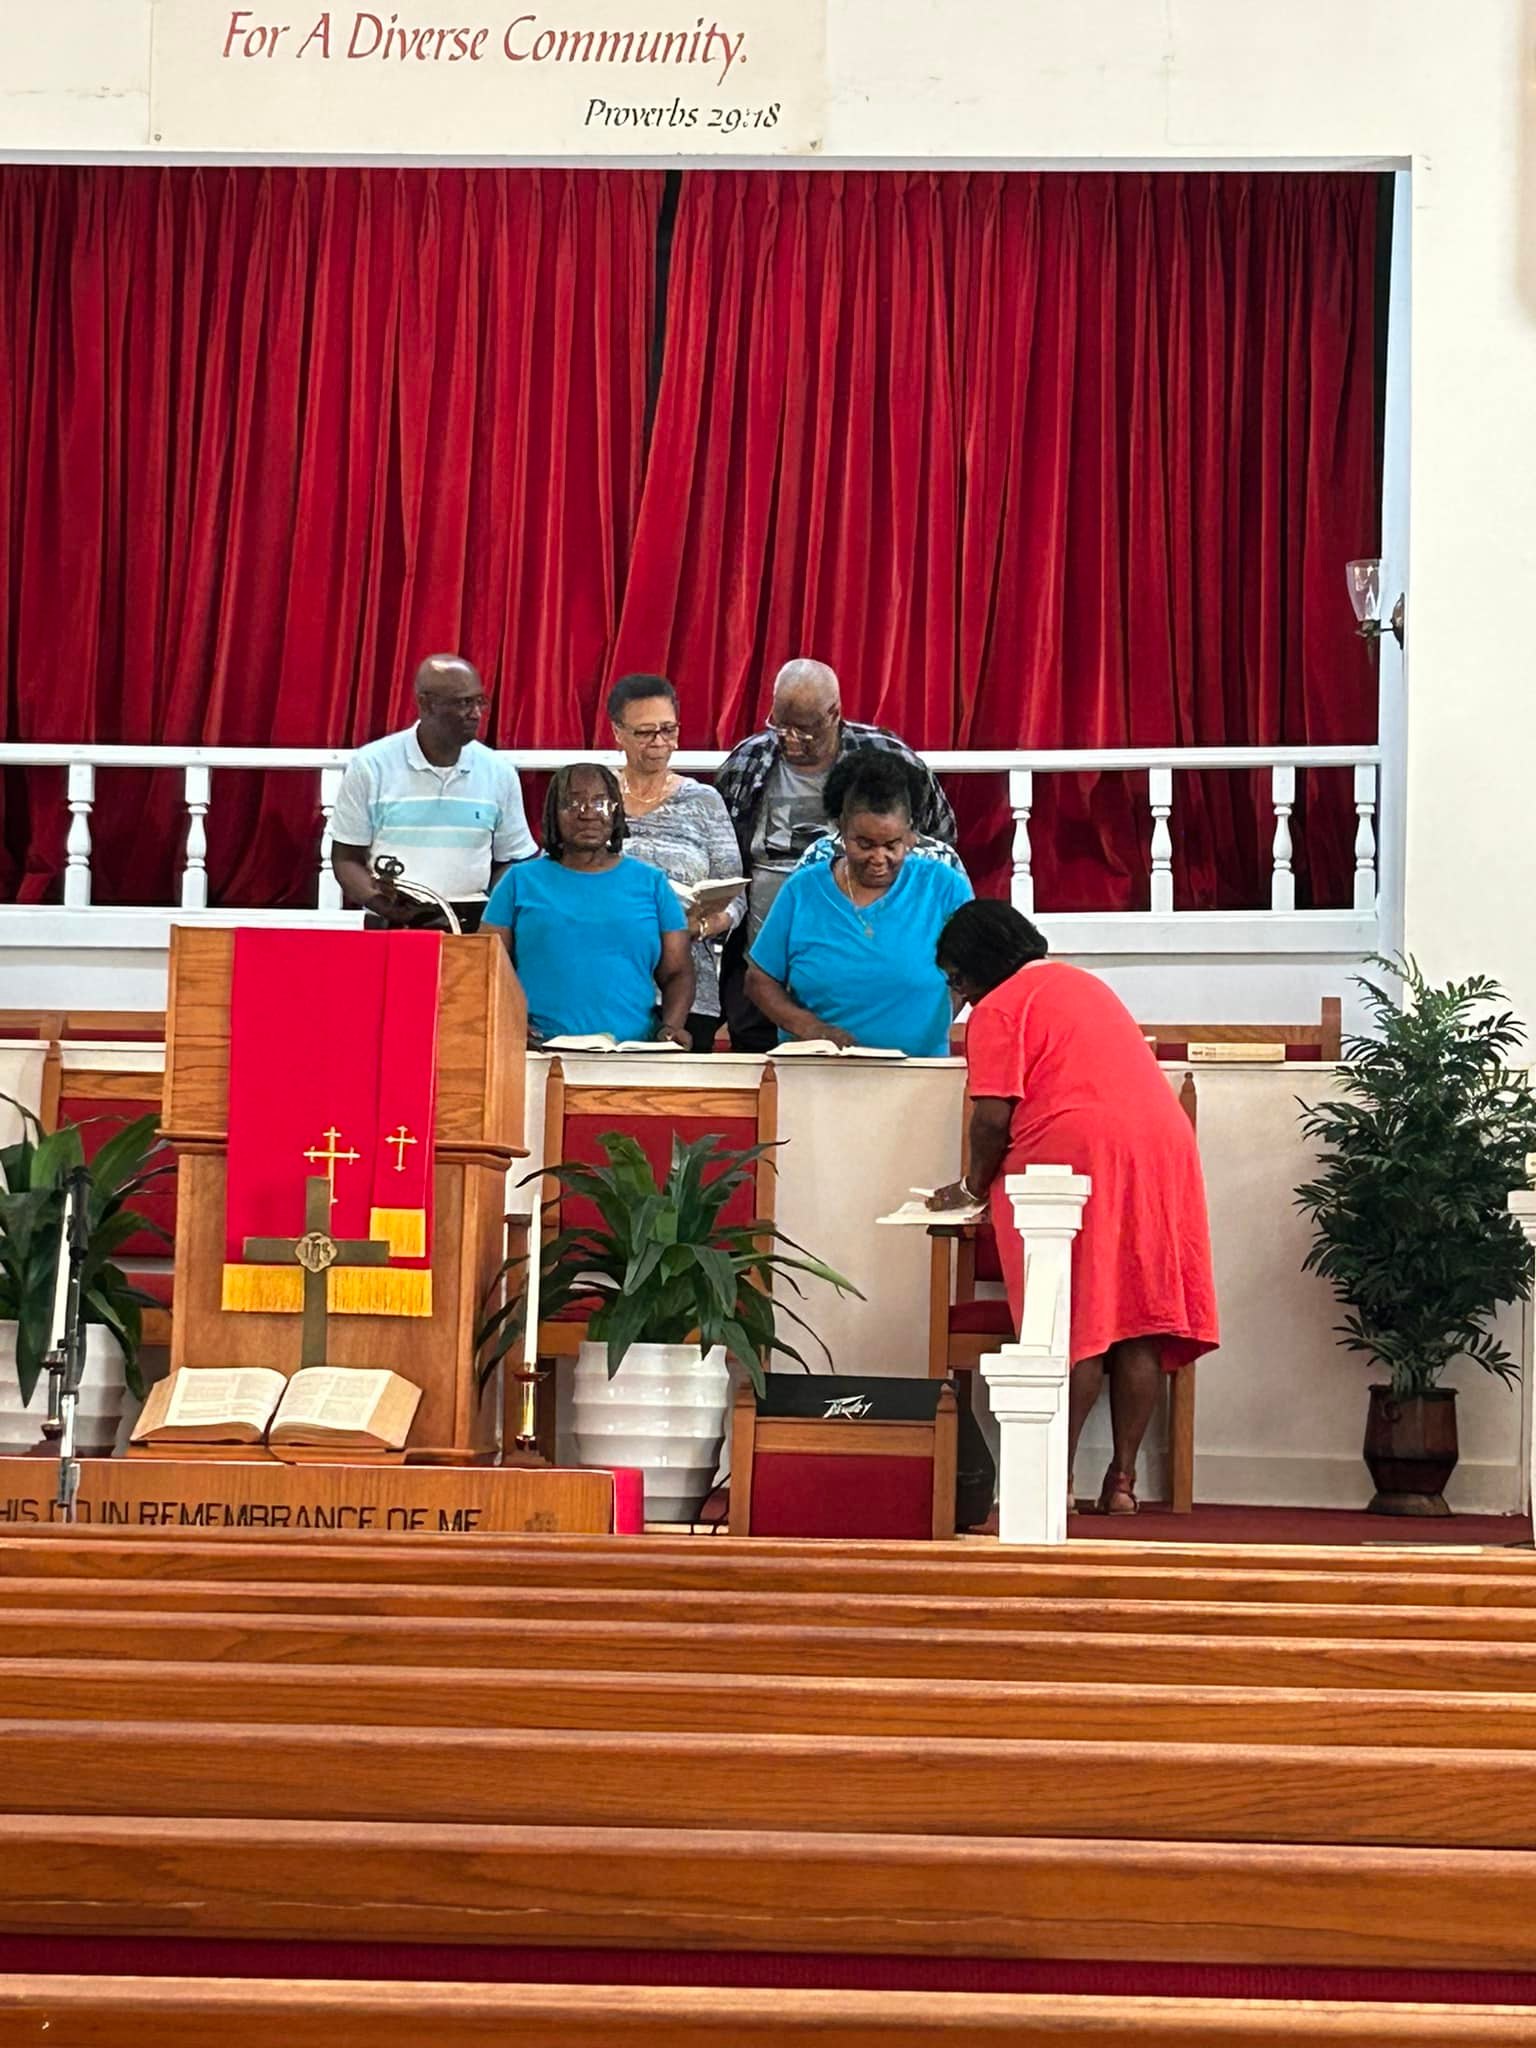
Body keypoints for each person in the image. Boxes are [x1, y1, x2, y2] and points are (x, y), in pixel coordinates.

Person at [928, 900, 1219, 1515]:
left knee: (1073, 1320)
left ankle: (1051, 1482)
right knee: (1137, 1316)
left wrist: (972, 1189)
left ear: (977, 968)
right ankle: (1121, 1483)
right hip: (1162, 1149)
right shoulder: (1084, 984)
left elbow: (993, 1117)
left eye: (954, 978)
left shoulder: (1000, 1007)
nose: (957, 994)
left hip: (1077, 1153)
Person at [715, 658, 957, 1051]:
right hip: (764, 949)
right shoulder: (748, 761)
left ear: (834, 714)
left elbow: (940, 836)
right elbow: (726, 850)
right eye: (780, 725)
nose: (790, 739)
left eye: (805, 729)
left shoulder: (888, 756)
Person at [744, 751, 973, 1059]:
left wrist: (935, 1021)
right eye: (864, 844)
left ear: (910, 833)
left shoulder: (944, 886)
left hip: (919, 1072)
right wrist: (810, 1028)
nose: (879, 859)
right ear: (840, 830)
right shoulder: (803, 889)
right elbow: (759, 980)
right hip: (817, 1071)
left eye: (892, 845)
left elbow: (979, 974)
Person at [482, 763, 694, 1047]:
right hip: (539, 1049)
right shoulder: (519, 881)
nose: (588, 813)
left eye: (601, 802)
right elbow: (486, 968)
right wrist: (510, 1024)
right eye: (572, 803)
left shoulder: (651, 883)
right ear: (552, 815)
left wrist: (669, 1028)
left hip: (632, 1053)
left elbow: (678, 972)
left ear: (618, 810)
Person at [329, 654, 535, 933]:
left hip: (473, 921)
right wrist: (386, 906)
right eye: (463, 702)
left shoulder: (499, 772)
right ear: (425, 704)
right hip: (393, 921)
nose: (475, 713)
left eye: (479, 701)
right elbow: (346, 858)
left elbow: (514, 858)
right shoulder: (372, 765)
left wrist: (493, 908)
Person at [608, 672, 745, 1053]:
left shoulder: (704, 801)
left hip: (689, 985)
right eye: (645, 732)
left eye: (668, 730)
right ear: (617, 732)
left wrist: (702, 925)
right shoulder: (596, 795)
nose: (659, 743)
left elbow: (735, 894)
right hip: (609, 978)